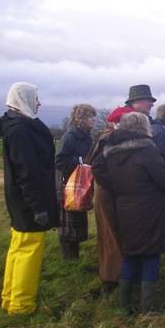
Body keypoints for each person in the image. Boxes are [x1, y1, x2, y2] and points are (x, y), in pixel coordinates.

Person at [104, 112, 165, 315]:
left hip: (125, 209)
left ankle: (124, 305)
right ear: (142, 128)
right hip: (149, 210)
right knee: (151, 255)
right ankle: (147, 307)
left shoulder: (111, 153)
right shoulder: (147, 151)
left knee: (130, 255)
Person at [0, 82, 59, 315]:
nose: (39, 103)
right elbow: (26, 172)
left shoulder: (14, 126)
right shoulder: (21, 130)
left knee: (18, 248)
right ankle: (22, 305)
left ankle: (9, 298)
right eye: (35, 98)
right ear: (23, 99)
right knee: (29, 252)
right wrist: (37, 207)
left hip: (20, 200)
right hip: (28, 201)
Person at [89, 106, 134, 298]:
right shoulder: (108, 139)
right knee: (111, 237)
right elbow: (97, 168)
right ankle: (110, 281)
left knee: (117, 235)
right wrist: (117, 186)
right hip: (109, 195)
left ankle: (119, 278)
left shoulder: (112, 138)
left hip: (114, 194)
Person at [55, 104, 96, 260]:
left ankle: (74, 256)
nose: (93, 119)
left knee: (76, 224)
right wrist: (81, 161)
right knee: (67, 227)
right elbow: (59, 161)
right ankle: (68, 258)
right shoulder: (69, 137)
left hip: (81, 186)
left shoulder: (87, 137)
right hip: (68, 187)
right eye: (90, 116)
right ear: (81, 119)